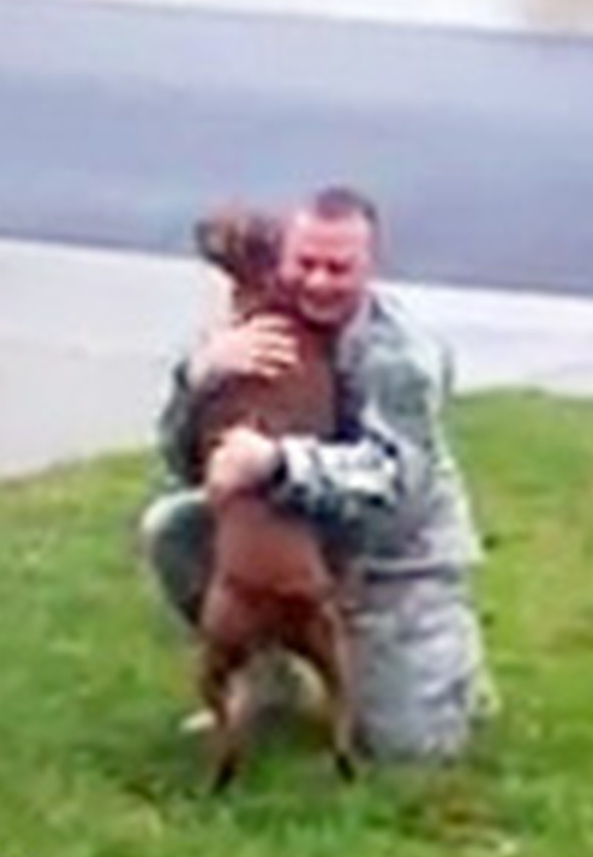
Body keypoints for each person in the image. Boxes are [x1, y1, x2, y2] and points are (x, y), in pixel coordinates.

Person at [138, 185, 497, 761]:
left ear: (370, 267)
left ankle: (452, 674)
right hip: (295, 538)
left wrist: (277, 462)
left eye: (340, 267)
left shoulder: (401, 354)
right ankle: (268, 682)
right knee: (172, 527)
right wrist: (201, 376)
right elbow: (181, 463)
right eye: (306, 264)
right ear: (282, 259)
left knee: (411, 750)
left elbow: (397, 486)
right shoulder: (247, 333)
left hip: (393, 561)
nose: (320, 282)